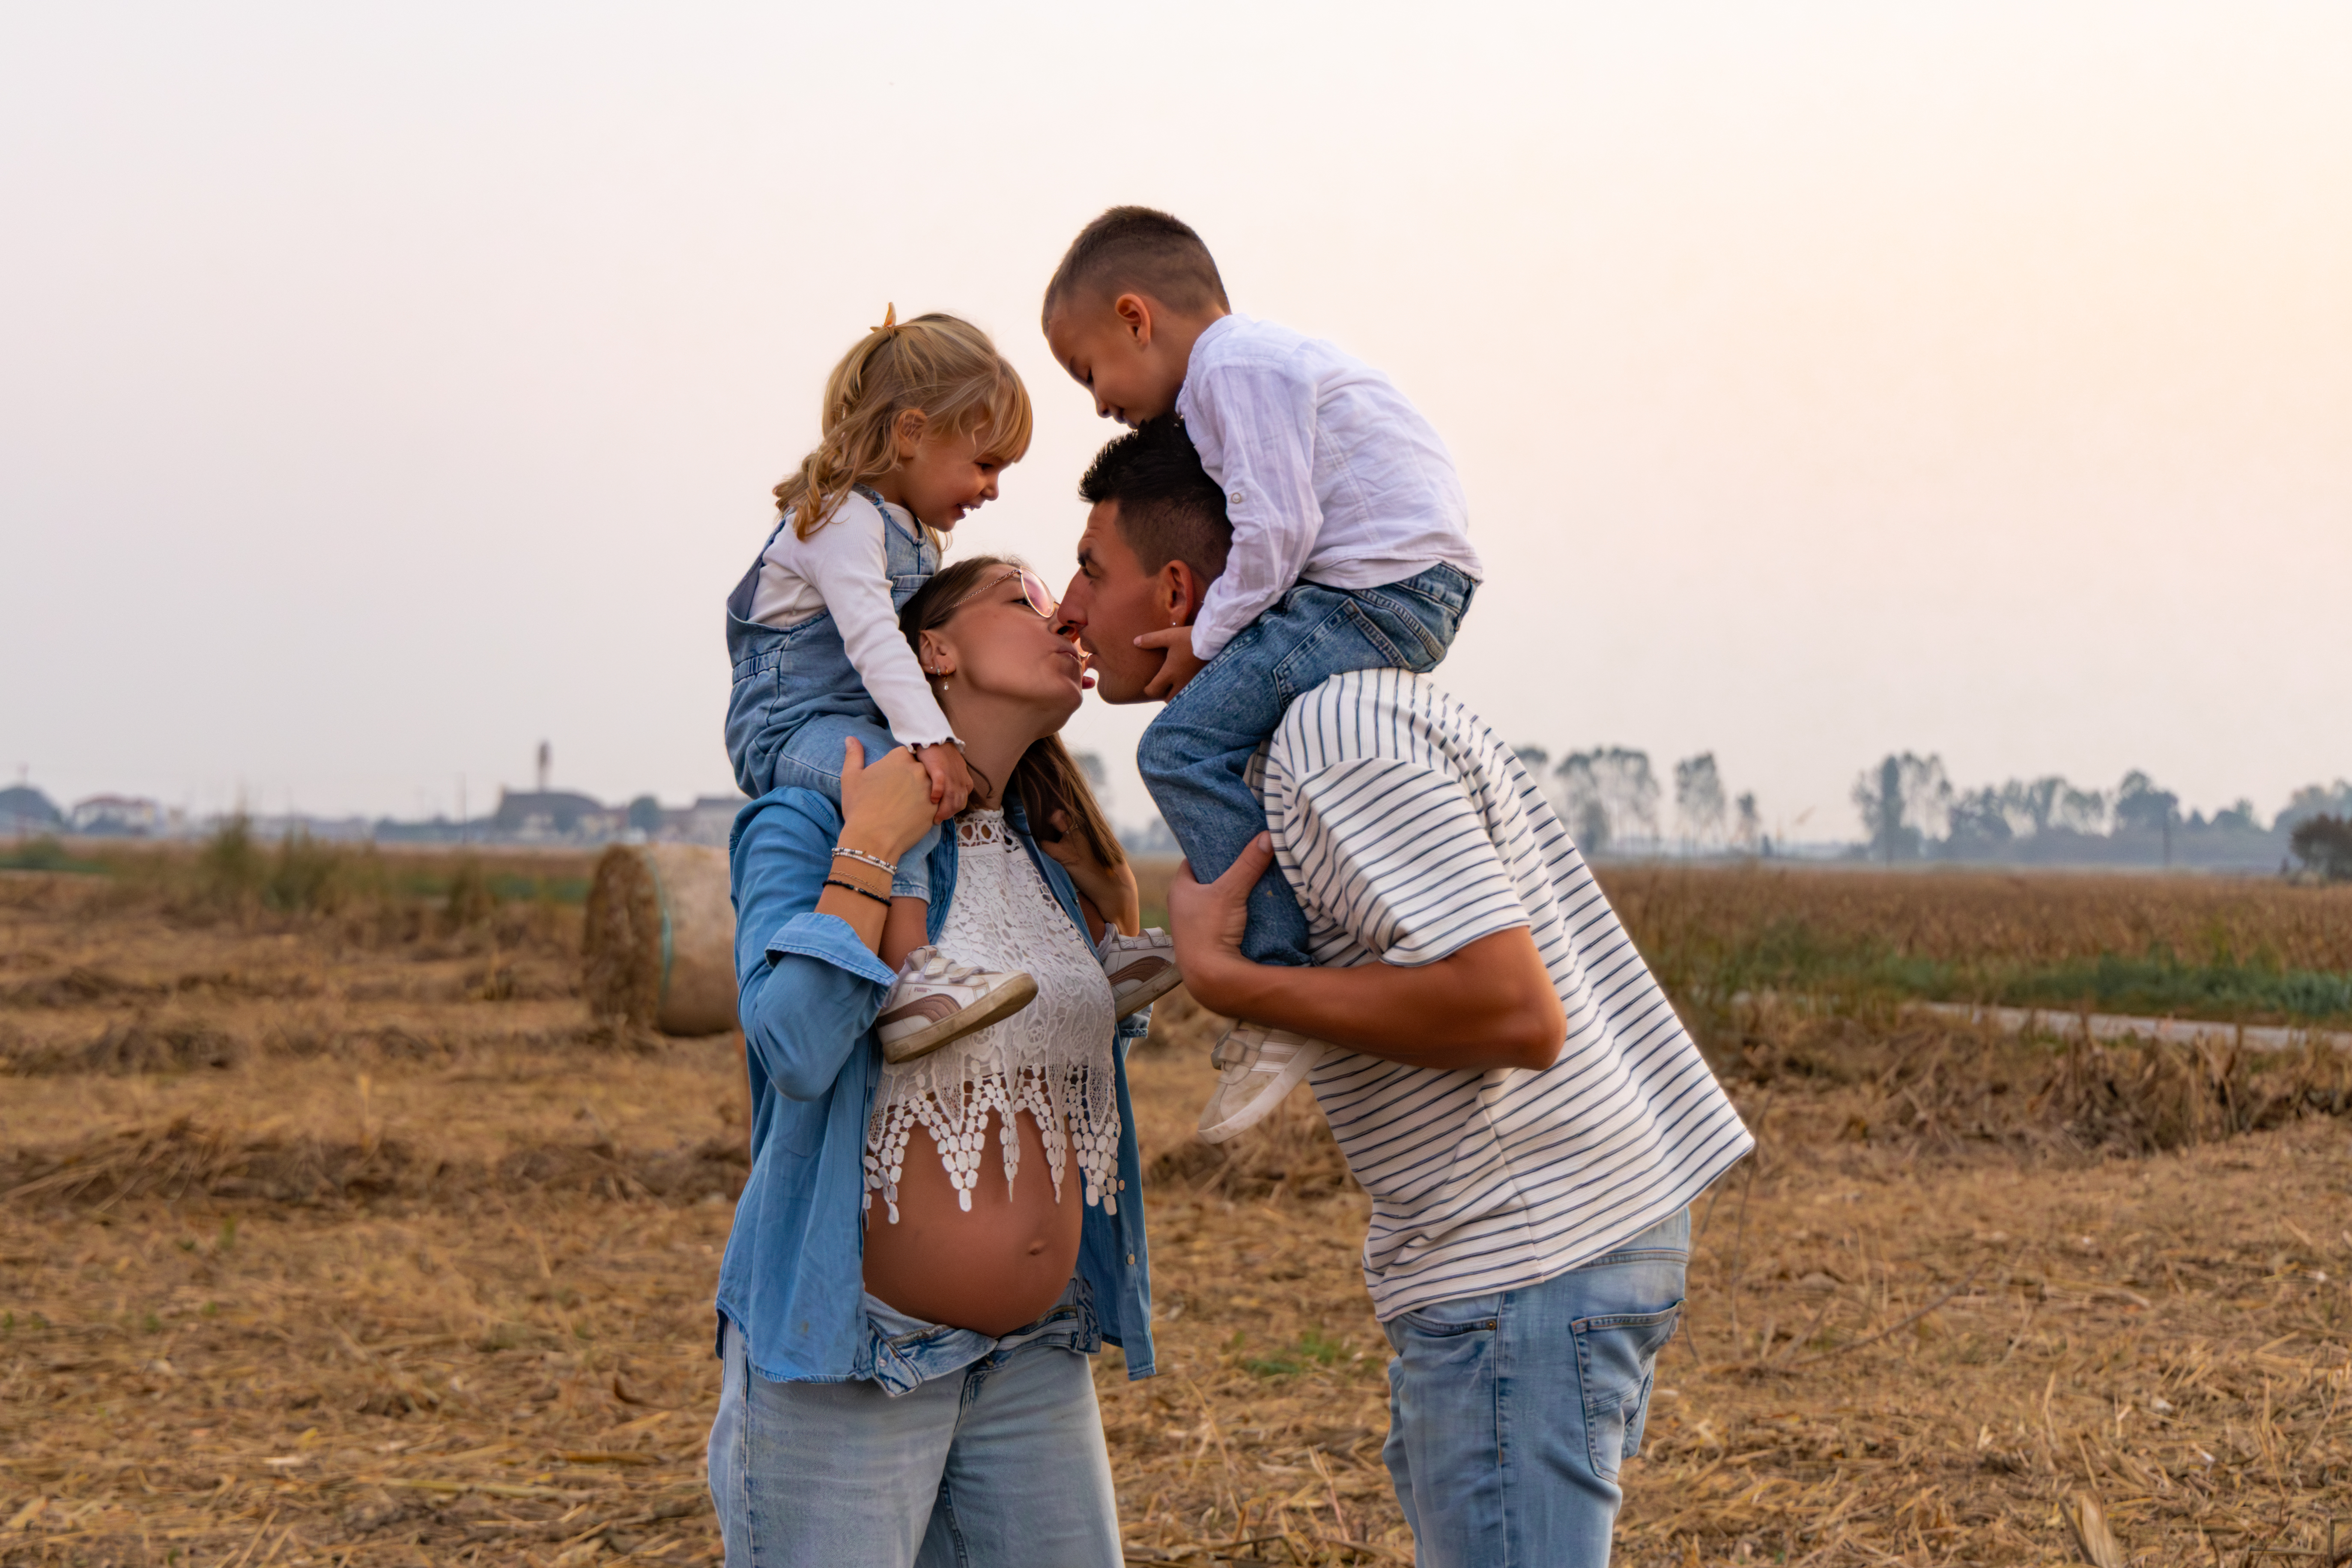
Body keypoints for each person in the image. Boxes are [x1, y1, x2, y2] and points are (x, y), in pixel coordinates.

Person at [1059, 420, 1755, 1567]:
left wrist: (1234, 981)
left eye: (1090, 569)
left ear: (1175, 589)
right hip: (1551, 1242)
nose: (1068, 608)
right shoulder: (1355, 708)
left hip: (1524, 1253)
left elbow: (1510, 1012)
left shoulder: (1330, 737)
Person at [707, 555, 1159, 1568]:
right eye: (1020, 599)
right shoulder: (810, 818)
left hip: (1037, 1356)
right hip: (853, 1358)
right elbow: (795, 1051)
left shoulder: (1046, 848)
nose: (1062, 615)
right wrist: (871, 844)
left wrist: (1116, 910)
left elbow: (1052, 1067)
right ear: (934, 651)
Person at [1041, 207, 1485, 1141]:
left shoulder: (1232, 369)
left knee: (1181, 744)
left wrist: (1205, 640)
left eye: (1088, 372)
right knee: (1224, 738)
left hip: (1376, 588)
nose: (1098, 402)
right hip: (1400, 581)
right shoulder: (1250, 370)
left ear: (1135, 318)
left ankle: (1275, 981)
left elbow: (1275, 530)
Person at [724, 308, 1176, 1067]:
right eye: (985, 463)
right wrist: (930, 741)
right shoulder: (840, 523)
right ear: (911, 433)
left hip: (858, 717)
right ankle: (912, 978)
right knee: (899, 780)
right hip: (790, 724)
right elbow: (876, 639)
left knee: (1005, 791)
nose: (992, 489)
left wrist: (1114, 893)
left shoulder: (910, 537)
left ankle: (1104, 949)